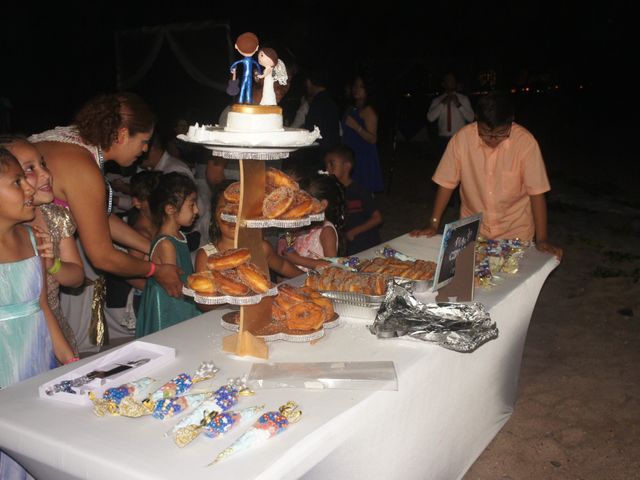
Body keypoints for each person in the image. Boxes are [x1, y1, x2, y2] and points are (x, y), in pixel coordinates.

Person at [411, 91, 563, 259]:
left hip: (516, 233)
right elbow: (446, 183)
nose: (492, 139)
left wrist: (542, 239)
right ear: (476, 120)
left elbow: (537, 192)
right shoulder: (461, 140)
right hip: (474, 233)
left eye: (500, 133)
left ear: (511, 121)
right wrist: (433, 224)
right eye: (485, 132)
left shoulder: (525, 143)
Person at [0, 148, 75, 478]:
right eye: (17, 181)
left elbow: (42, 306)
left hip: (36, 364)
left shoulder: (31, 238)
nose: (29, 188)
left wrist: (71, 363)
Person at [1, 135, 84, 355]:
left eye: (43, 164)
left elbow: (77, 277)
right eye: (29, 169)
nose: (46, 174)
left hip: (54, 332)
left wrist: (51, 264)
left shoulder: (54, 217)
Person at [194, 181, 302, 303]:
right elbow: (202, 303)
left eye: (238, 211)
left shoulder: (260, 247)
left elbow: (282, 266)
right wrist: (225, 295)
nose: (232, 217)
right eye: (224, 212)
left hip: (259, 313)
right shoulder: (206, 256)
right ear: (215, 218)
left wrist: (308, 277)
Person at [136, 173, 200, 337]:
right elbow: (175, 291)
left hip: (181, 308)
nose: (197, 210)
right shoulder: (166, 244)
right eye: (192, 205)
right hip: (170, 314)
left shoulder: (179, 237)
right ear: (170, 209)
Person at [279, 173, 346, 271]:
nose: (297, 207)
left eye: (303, 203)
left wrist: (298, 259)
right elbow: (289, 244)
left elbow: (332, 266)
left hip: (314, 283)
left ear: (322, 205)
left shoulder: (326, 231)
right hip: (295, 280)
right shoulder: (303, 226)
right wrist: (288, 237)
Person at [325, 144, 382, 255]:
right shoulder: (332, 192)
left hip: (365, 242)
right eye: (326, 165)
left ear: (347, 166)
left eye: (332, 164)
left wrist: (353, 232)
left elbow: (377, 218)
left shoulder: (359, 190)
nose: (327, 169)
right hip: (346, 245)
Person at [341, 75, 384, 193]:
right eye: (355, 86)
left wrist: (357, 127)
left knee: (363, 193)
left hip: (362, 156)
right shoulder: (351, 108)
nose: (356, 89)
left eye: (361, 87)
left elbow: (372, 139)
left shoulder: (368, 111)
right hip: (350, 153)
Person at [300, 68, 340, 174]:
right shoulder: (329, 100)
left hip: (319, 156)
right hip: (330, 153)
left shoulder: (318, 103)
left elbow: (311, 133)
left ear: (309, 82)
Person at [427, 72, 475, 157]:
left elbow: (471, 118)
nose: (452, 82)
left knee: (461, 167)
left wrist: (459, 105)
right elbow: (430, 118)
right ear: (443, 84)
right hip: (443, 140)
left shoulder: (463, 99)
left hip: (460, 139)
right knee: (445, 168)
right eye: (449, 80)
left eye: (453, 80)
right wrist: (442, 103)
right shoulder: (437, 100)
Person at [230, 32, 262, 105]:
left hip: (248, 77)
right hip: (247, 77)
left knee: (246, 88)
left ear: (236, 47)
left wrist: (260, 73)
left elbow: (236, 63)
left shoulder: (245, 60)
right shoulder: (248, 60)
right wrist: (260, 72)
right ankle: (242, 100)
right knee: (245, 88)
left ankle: (246, 100)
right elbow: (257, 65)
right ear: (257, 48)